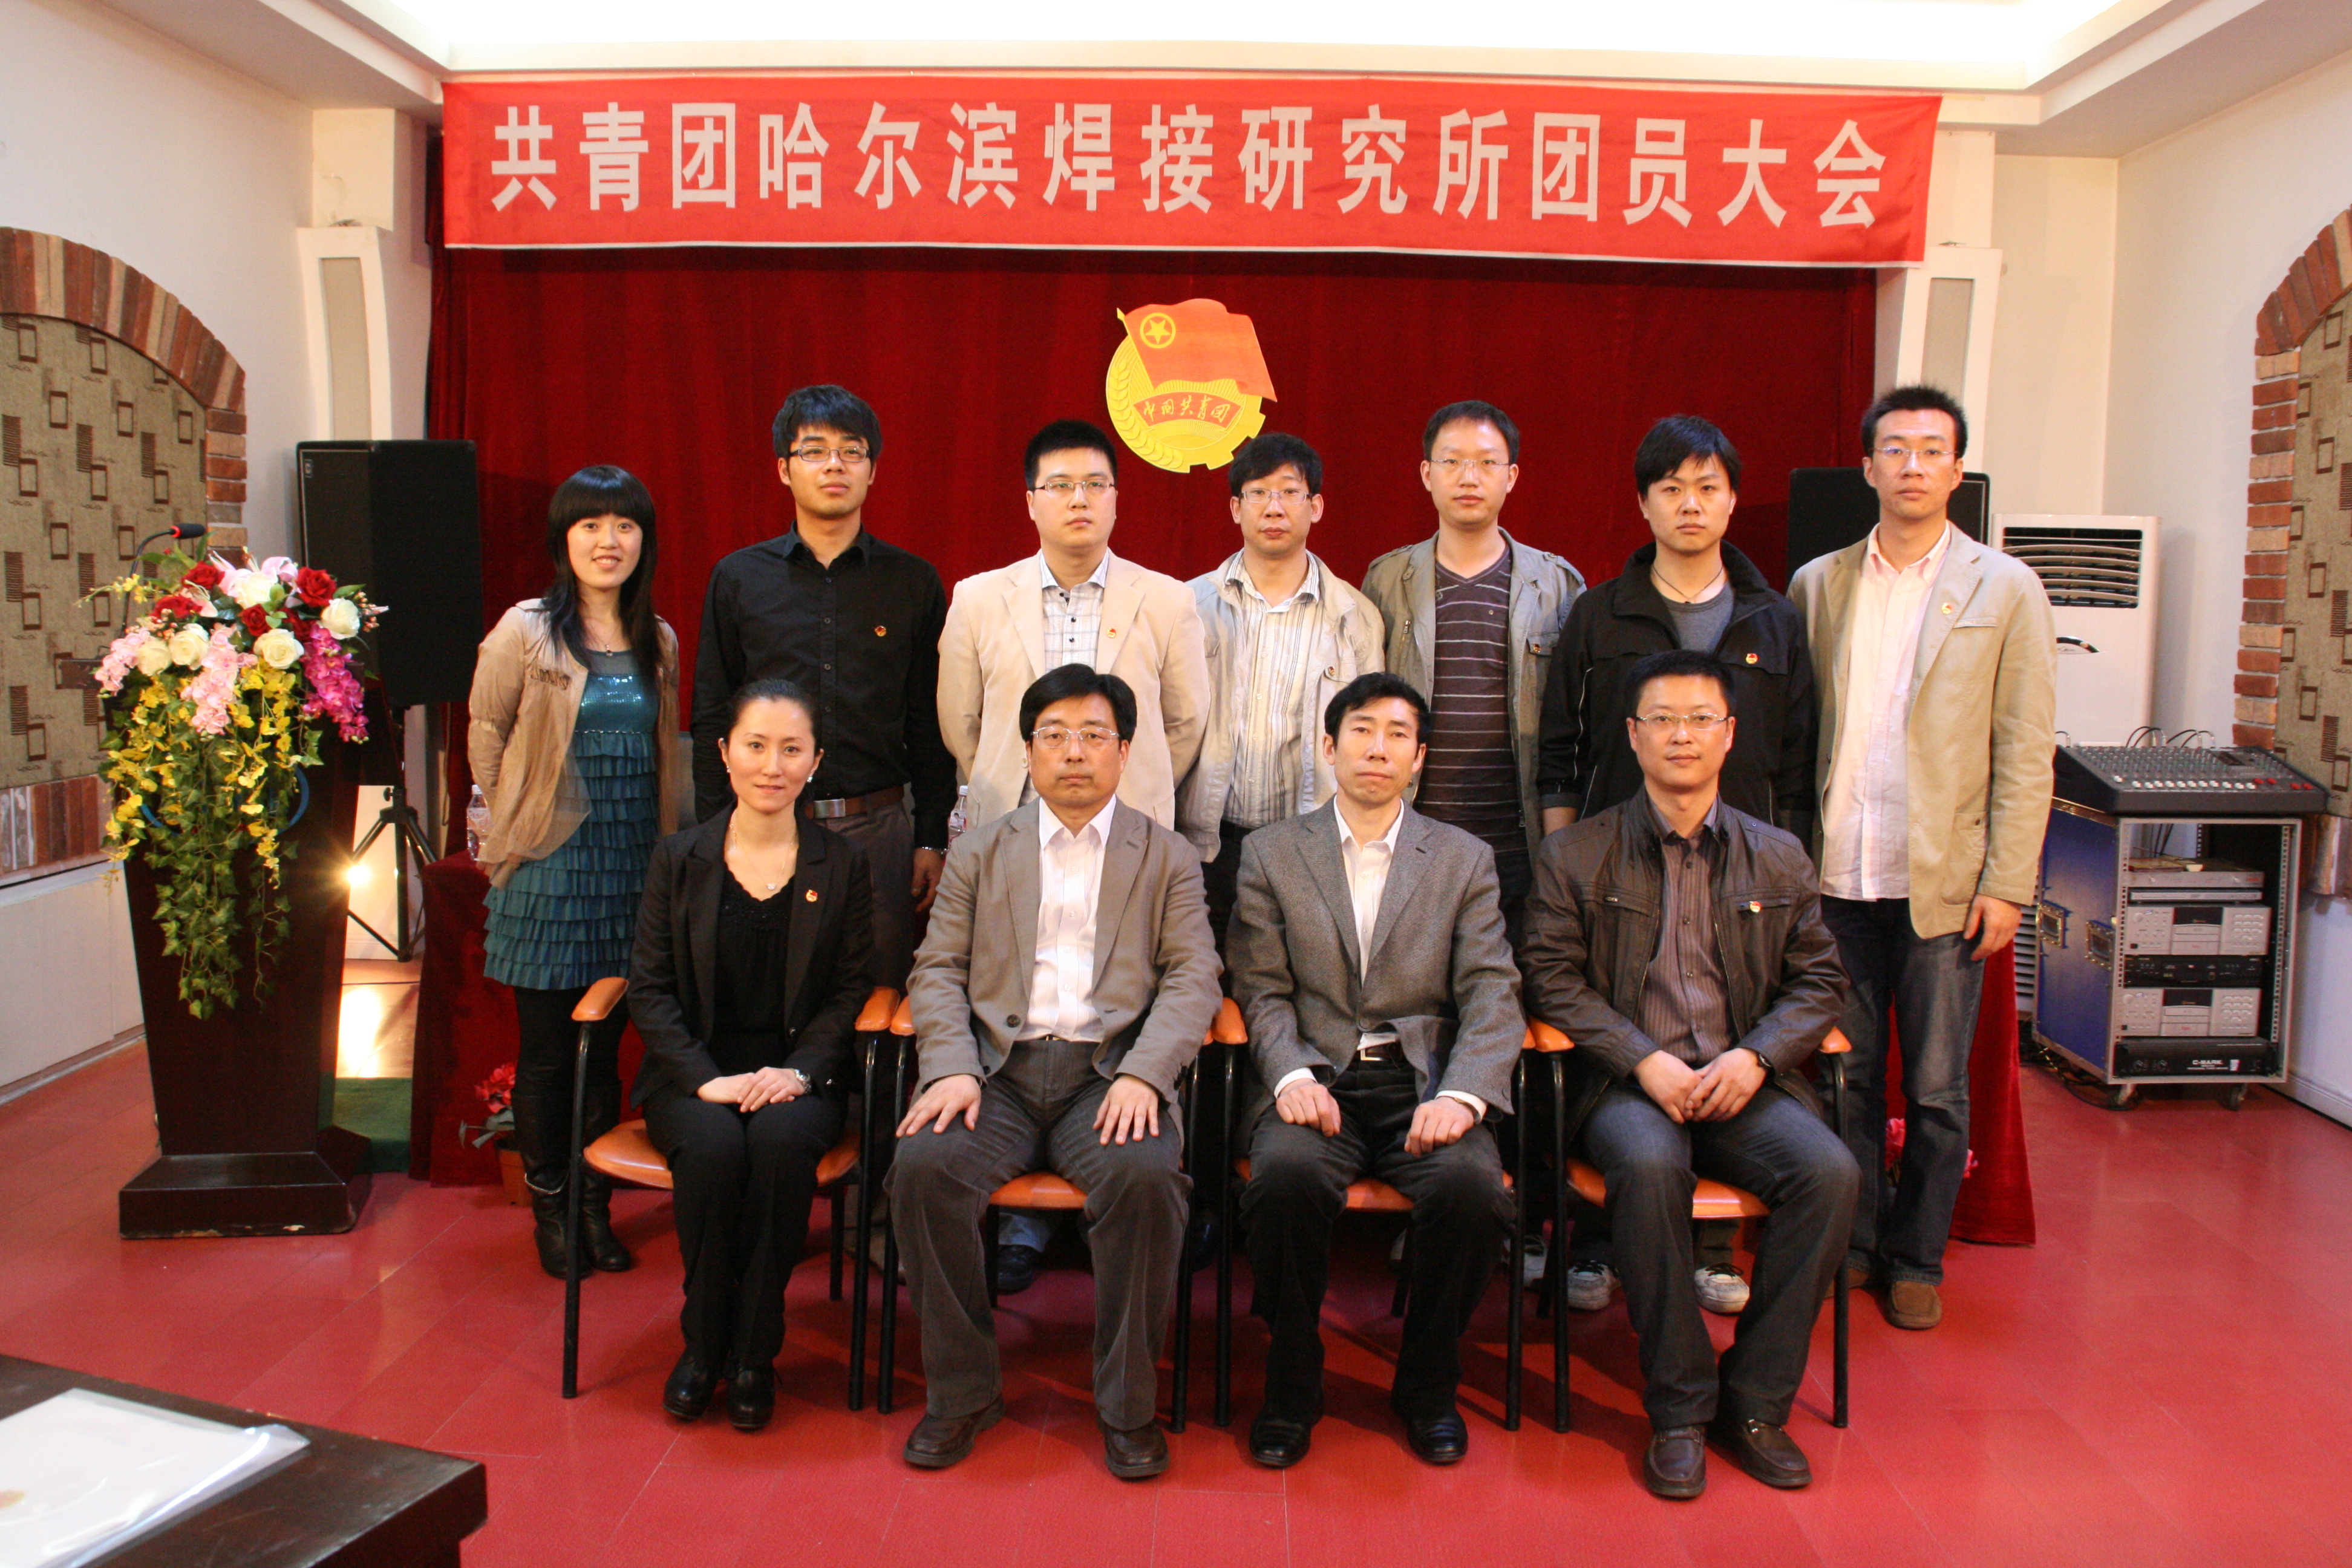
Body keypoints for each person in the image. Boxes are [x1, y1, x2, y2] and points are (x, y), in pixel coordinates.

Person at [1520, 648, 1856, 1500]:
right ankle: (1679, 1406)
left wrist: (1757, 1057)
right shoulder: (1576, 855)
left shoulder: (1778, 855)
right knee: (1647, 1165)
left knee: (1829, 1173)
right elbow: (1550, 978)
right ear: (1633, 736)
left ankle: (1756, 1404)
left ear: (1729, 733)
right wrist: (1643, 1059)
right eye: (1663, 719)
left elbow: (1820, 981)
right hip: (1626, 1087)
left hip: (1744, 1083)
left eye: (1700, 719)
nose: (1682, 735)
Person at [888, 665, 1221, 1480]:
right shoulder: (981, 851)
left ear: (1125, 751)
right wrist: (950, 1068)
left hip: (1107, 1078)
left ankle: (1127, 1406)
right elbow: (937, 968)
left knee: (1146, 1180)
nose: (1075, 752)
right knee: (923, 1169)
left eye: (1094, 735)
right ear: (1030, 751)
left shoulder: (1168, 856)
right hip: (995, 1075)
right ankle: (963, 1392)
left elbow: (1194, 977)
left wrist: (1145, 1075)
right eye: (1055, 736)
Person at [1535, 415, 1819, 1319]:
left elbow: (1799, 761)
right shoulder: (1599, 612)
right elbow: (1560, 747)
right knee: (1621, 1041)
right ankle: (1599, 1244)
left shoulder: (1776, 619)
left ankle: (1710, 1252)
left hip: (1740, 871)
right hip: (1612, 867)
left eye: (1707, 488)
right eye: (1671, 489)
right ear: (1645, 503)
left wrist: (1790, 865)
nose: (1690, 505)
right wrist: (1561, 855)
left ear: (1733, 501)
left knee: (1723, 1021)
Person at [1788, 385, 2055, 1332]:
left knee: (1937, 1089)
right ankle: (1856, 1243)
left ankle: (1917, 1257)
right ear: (1868, 467)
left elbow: (2026, 748)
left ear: (1957, 469)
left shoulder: (2006, 587)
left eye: (1931, 450)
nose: (1912, 466)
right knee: (1848, 1077)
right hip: (1838, 877)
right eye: (1894, 449)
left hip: (1944, 882)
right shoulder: (1819, 584)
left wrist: (2008, 883)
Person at [936, 418, 1211, 1292]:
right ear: (1030, 501)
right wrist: (1021, 786)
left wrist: (1121, 790)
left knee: (1107, 1012)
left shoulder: (1166, 599)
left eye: (1095, 484)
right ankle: (1019, 1224)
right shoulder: (979, 597)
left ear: (1118, 499)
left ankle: (1110, 1218)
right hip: (1012, 833)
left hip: (1124, 840)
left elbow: (1184, 722)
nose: (1078, 500)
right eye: (1059, 485)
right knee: (1016, 1014)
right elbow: (963, 723)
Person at [1227, 673, 1520, 1470]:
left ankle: (1428, 1381)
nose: (1377, 748)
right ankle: (1292, 1382)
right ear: (1329, 747)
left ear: (1419, 757)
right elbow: (1260, 987)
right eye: (1361, 730)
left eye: (1397, 734)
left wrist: (1463, 1094)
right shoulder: (1272, 852)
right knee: (1283, 1180)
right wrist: (1290, 1076)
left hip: (1421, 1082)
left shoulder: (1462, 858)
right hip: (1315, 1074)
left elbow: (1492, 990)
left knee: (1473, 1192)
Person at [627, 681, 874, 1432]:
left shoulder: (842, 863)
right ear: (725, 753)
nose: (773, 765)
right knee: (711, 1151)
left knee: (778, 1146)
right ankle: (704, 1343)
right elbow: (650, 988)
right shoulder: (680, 858)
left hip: (796, 1074)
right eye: (756, 746)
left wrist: (799, 1072)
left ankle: (754, 1353)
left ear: (815, 762)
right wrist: (705, 1081)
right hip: (695, 1076)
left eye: (792, 749)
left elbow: (850, 990)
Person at [470, 465, 681, 1279]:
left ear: (643, 540)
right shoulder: (524, 630)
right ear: (565, 540)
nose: (608, 540)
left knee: (607, 1052)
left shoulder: (658, 637)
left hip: (631, 870)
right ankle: (552, 1211)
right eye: (590, 524)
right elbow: (486, 731)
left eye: (624, 525)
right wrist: (520, 817)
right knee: (551, 1054)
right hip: (551, 876)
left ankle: (595, 1205)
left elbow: (666, 757)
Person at [691, 384, 953, 991]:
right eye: (814, 451)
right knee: (766, 996)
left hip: (877, 833)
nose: (834, 465)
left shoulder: (913, 582)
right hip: (765, 824)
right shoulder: (738, 579)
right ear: (785, 469)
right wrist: (714, 832)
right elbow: (712, 714)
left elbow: (928, 719)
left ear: (872, 469)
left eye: (851, 451)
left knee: (875, 999)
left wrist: (931, 838)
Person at [1361, 399, 1583, 932]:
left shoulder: (1557, 586)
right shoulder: (1387, 580)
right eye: (1452, 461)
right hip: (1414, 838)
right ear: (1427, 474)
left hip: (1520, 843)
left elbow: (1573, 727)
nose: (1469, 477)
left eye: (1486, 462)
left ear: (1511, 476)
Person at [1180, 432, 1385, 947]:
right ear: (1236, 508)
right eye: (1258, 493)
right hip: (1207, 845)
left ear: (1316, 506)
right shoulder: (1188, 607)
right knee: (1206, 978)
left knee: (1299, 981)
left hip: (1310, 847)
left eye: (1290, 492)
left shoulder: (1355, 617)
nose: (1274, 507)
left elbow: (1371, 736)